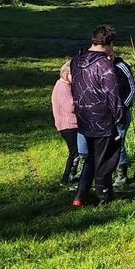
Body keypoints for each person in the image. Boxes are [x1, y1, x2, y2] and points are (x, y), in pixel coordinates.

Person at [69, 25, 127, 207]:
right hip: (102, 119)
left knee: (92, 158)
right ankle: (105, 200)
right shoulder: (104, 66)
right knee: (105, 161)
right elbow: (113, 96)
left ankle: (80, 197)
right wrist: (120, 120)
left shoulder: (76, 60)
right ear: (109, 43)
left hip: (83, 117)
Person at [51, 60, 83, 189]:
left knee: (77, 151)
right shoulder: (62, 87)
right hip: (68, 125)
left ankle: (71, 175)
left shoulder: (65, 85)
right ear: (67, 73)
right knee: (75, 152)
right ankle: (66, 178)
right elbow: (71, 106)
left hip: (70, 125)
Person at [111, 51, 135, 188]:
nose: (108, 58)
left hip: (122, 113)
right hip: (105, 115)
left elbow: (132, 89)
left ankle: (122, 176)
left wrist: (122, 108)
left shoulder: (121, 66)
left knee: (118, 144)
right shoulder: (100, 66)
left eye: (111, 56)